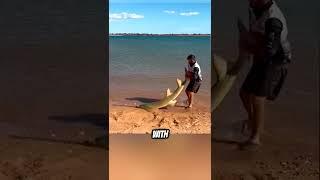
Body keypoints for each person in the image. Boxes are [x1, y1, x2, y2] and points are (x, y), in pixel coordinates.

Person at [239, 0, 291, 148]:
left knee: (257, 98)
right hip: (261, 57)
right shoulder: (255, 8)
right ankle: (253, 120)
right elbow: (255, 31)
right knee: (243, 93)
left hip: (276, 60)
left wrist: (249, 47)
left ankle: (255, 138)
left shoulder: (273, 19)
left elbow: (270, 51)